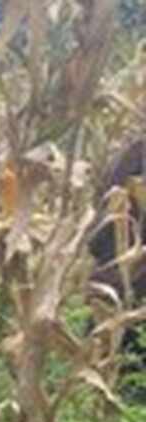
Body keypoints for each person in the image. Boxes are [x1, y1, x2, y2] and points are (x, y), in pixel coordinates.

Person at [89, 139, 146, 394]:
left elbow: (96, 240)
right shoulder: (135, 157)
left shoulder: (130, 154)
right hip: (124, 287)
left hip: (113, 287)